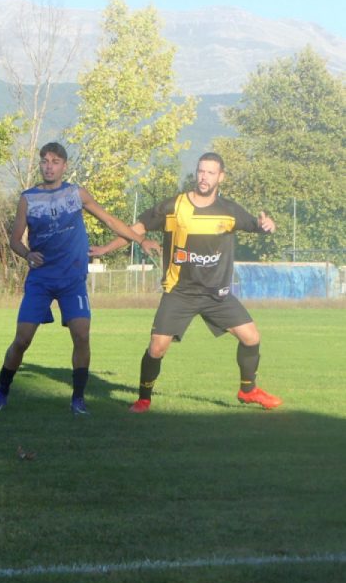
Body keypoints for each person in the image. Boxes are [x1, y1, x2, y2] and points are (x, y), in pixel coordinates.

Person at [91, 152, 282, 412]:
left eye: (210, 173)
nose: (204, 177)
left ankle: (248, 391)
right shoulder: (174, 206)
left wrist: (267, 225)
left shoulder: (229, 211)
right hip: (180, 292)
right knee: (157, 348)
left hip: (217, 294)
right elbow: (137, 229)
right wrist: (105, 249)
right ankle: (144, 399)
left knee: (251, 337)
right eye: (201, 171)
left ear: (221, 177)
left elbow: (256, 226)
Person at [0, 142, 160, 416]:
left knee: (81, 335)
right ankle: (2, 392)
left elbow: (109, 220)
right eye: (45, 161)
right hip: (41, 280)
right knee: (22, 340)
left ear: (64, 166)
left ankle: (78, 399)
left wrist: (140, 240)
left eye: (55, 161)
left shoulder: (76, 194)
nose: (49, 166)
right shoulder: (28, 198)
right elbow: (14, 240)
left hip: (72, 280)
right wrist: (28, 254)